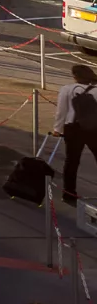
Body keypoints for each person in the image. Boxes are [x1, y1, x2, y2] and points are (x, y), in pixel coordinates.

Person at [52, 63, 97, 203]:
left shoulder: (67, 89)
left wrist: (57, 129)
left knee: (72, 161)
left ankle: (69, 194)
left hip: (73, 128)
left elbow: (61, 111)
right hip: (94, 129)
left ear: (75, 76)